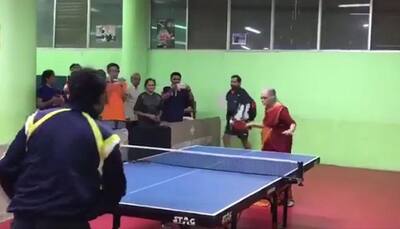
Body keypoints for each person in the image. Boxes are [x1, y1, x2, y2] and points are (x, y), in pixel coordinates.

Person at [0, 69, 126, 229]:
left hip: (24, 221)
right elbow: (115, 190)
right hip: (70, 222)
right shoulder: (105, 136)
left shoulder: (36, 119)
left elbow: (4, 168)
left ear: (69, 92)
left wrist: (23, 200)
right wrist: (89, 212)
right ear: (101, 98)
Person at [247, 88, 296, 207]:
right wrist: (253, 123)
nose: (262, 100)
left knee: (282, 170)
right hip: (270, 142)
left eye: (265, 98)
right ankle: (270, 197)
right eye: (261, 98)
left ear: (272, 97)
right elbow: (267, 125)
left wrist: (290, 130)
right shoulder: (268, 108)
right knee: (268, 169)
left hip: (282, 143)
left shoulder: (281, 109)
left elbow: (292, 123)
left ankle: (287, 199)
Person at [223, 75, 256, 149]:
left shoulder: (243, 93)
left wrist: (247, 120)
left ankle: (251, 156)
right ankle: (228, 155)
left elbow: (249, 106)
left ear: (239, 83)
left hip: (240, 122)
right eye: (231, 81)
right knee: (225, 138)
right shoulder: (229, 93)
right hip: (231, 121)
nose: (232, 83)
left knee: (244, 142)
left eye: (234, 82)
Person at [101, 63, 127, 130]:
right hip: (107, 116)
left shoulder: (123, 83)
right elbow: (103, 100)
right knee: (108, 138)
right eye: (112, 71)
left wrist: (121, 85)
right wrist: (107, 84)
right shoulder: (103, 83)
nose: (114, 73)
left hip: (120, 116)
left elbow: (124, 99)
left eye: (116, 71)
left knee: (121, 138)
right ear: (108, 72)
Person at [124, 73, 141, 138]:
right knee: (128, 135)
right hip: (128, 116)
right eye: (135, 79)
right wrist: (126, 115)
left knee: (135, 135)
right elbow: (124, 101)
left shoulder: (139, 90)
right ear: (131, 79)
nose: (137, 81)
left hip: (136, 116)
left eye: (139, 79)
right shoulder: (128, 89)